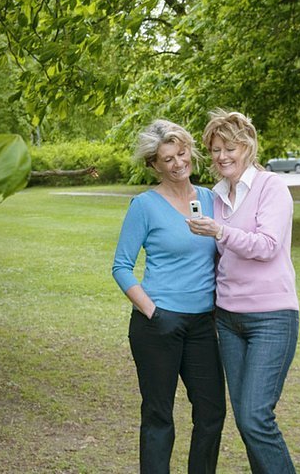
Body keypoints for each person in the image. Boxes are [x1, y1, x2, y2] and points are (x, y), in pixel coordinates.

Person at [187, 109, 299, 474]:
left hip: (272, 317)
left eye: (229, 148)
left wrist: (219, 231)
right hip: (229, 320)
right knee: (247, 422)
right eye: (216, 149)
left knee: (254, 417)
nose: (221, 157)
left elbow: (267, 246)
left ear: (247, 146)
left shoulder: (272, 187)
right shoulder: (217, 197)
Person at [112, 119, 225, 474]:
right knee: (159, 416)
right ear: (154, 165)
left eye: (181, 153)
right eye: (167, 158)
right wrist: (153, 311)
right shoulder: (144, 206)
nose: (178, 163)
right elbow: (121, 267)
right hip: (158, 324)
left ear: (190, 151)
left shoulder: (211, 200)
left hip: (203, 324)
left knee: (211, 413)